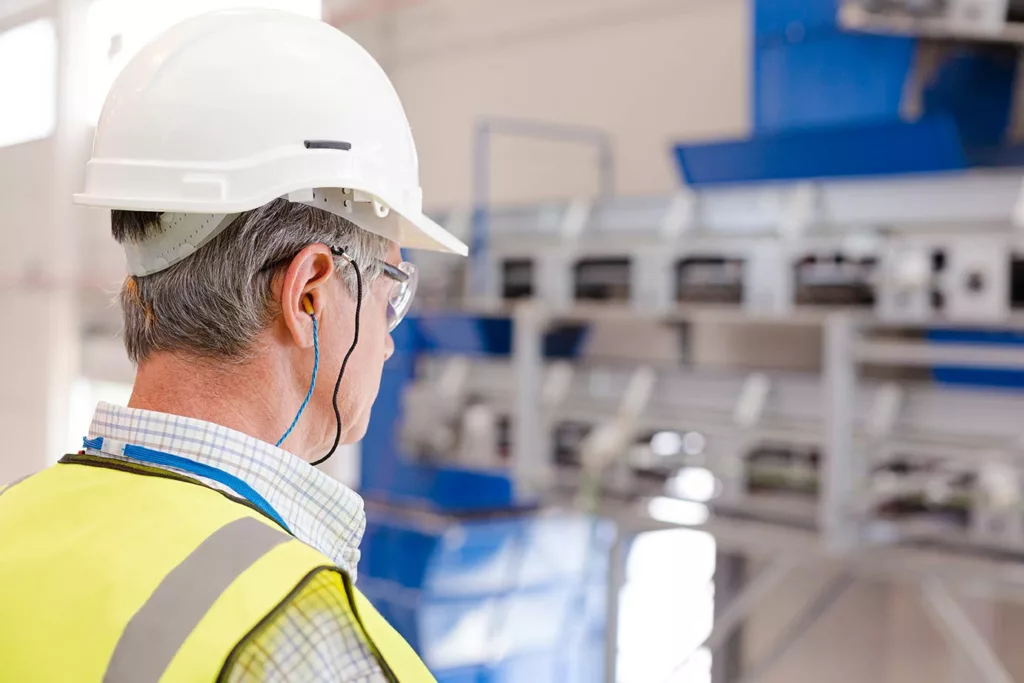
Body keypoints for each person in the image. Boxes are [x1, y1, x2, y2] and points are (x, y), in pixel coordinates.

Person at [0, 9, 466, 683]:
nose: (390, 341)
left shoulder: (15, 518)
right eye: (391, 287)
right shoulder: (314, 647)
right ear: (308, 291)